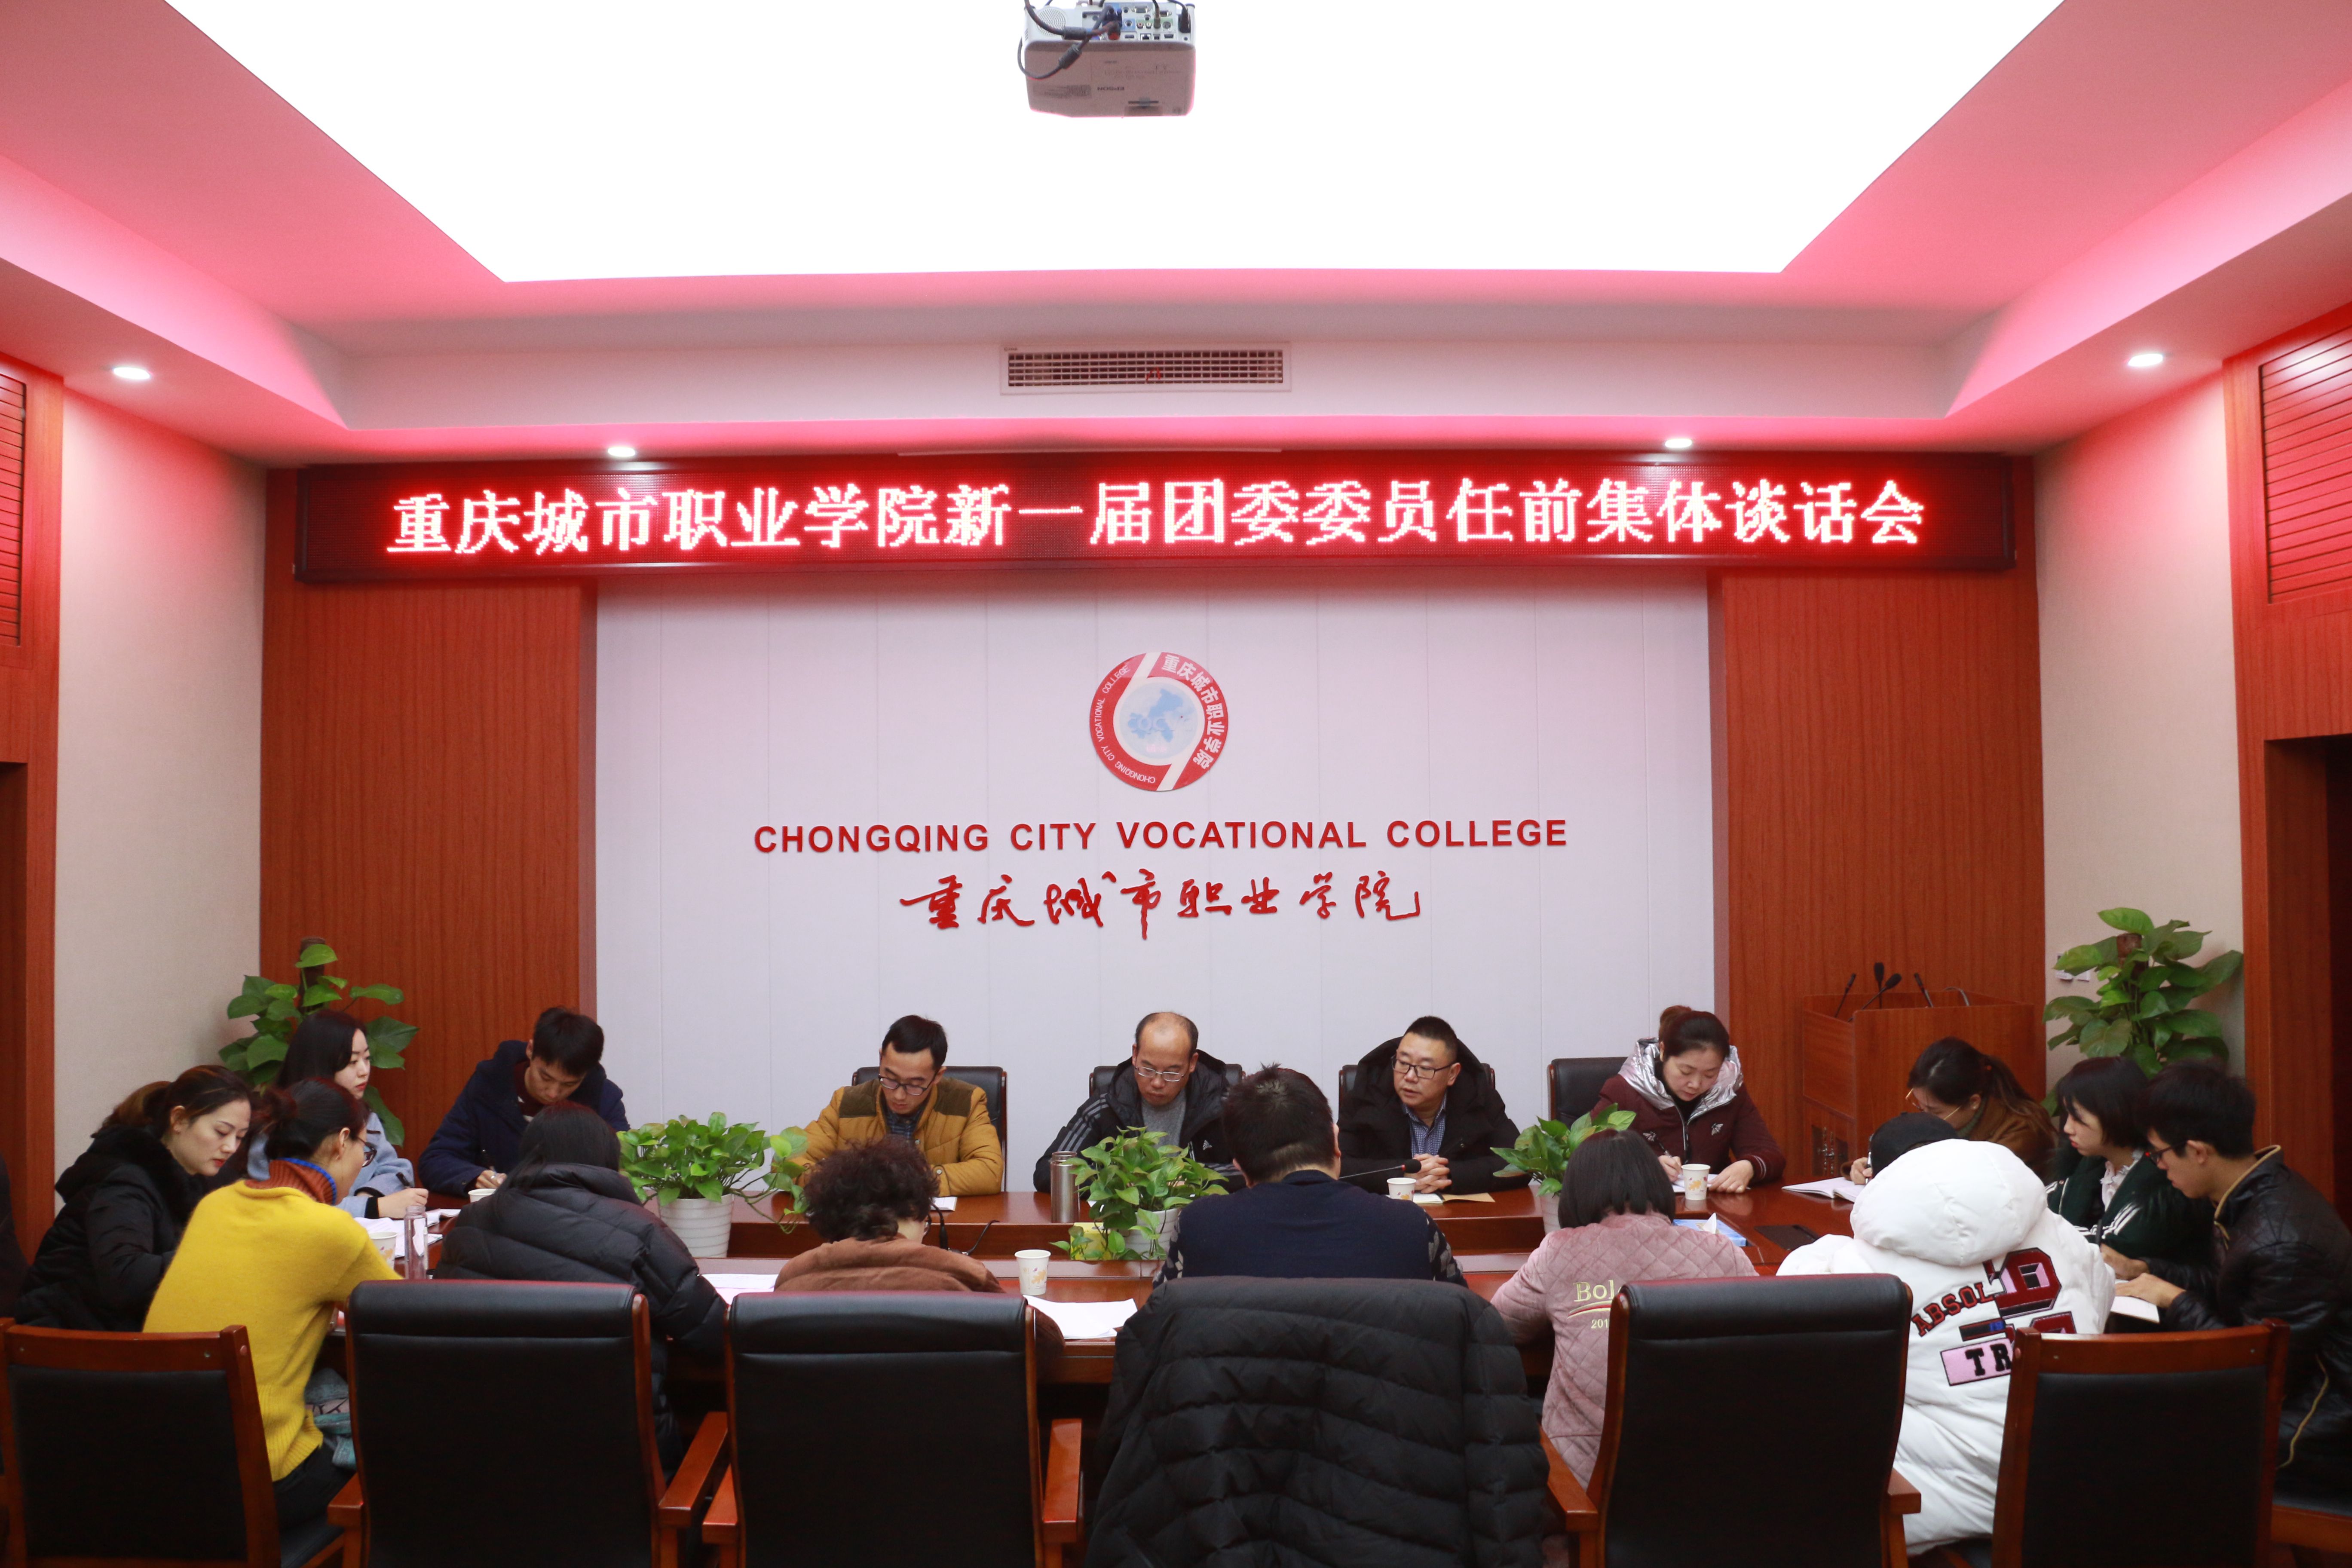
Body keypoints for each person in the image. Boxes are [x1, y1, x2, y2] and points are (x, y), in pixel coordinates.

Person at [1779, 1130, 2110, 1552]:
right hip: (2075, 1472)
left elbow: (1800, 1357)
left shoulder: (1845, 1262)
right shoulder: (2059, 1232)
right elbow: (2101, 1301)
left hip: (1939, 1498)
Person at [146, 1081, 398, 1534]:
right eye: (365, 1149)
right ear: (341, 1141)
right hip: (258, 1481)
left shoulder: (216, 1206)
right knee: (395, 1458)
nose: (362, 1161)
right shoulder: (329, 1231)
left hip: (159, 1469)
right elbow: (412, 1324)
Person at [435, 1101, 723, 1468]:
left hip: (481, 1464)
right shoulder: (637, 1231)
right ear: (605, 1160)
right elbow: (715, 1337)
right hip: (621, 1473)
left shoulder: (469, 1225)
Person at [2112, 1064, 2352, 1490]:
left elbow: (2257, 1368)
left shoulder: (2283, 1241)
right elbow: (2229, 1283)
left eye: (2158, 1153)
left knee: (2128, 1436)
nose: (2159, 1166)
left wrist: (2175, 1300)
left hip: (2319, 1423)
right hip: (2289, 1391)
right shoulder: (2254, 1189)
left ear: (2198, 1151)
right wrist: (2146, 1270)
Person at [1489, 1130, 1754, 1482]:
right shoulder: (1720, 1251)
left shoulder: (1560, 1251)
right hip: (1709, 1475)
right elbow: (1765, 1336)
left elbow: (1498, 1325)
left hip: (1585, 1485)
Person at [1156, 1066, 1466, 1286]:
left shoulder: (1199, 1227)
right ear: (1336, 1143)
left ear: (1240, 1167)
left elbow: (1160, 1324)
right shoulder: (1411, 1227)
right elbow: (1461, 1323)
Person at [16, 1067, 256, 1331]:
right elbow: (125, 1277)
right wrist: (217, 1256)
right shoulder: (126, 1181)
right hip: (64, 1334)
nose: (231, 1147)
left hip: (116, 1329)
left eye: (240, 1137)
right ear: (178, 1120)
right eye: (222, 1132)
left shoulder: (205, 1183)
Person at [417, 1006, 628, 1195]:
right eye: (546, 1078)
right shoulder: (489, 1086)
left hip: (577, 1214)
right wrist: (474, 1177)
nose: (553, 1093)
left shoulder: (603, 1097)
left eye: (569, 1084)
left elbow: (625, 1168)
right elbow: (437, 1159)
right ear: (530, 1050)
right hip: (499, 1214)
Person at [246, 1011, 426, 1219]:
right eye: (352, 1062)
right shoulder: (279, 1124)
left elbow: (396, 1169)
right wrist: (370, 1208)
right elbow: (285, 1206)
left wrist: (369, 1196)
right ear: (319, 1064)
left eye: (367, 1058)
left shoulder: (364, 1116)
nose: (364, 1071)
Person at [800, 1015, 1004, 1196]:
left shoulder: (966, 1102)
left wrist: (908, 1181)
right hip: (863, 1222)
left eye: (914, 1085)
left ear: (937, 1076)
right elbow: (792, 1163)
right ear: (881, 1058)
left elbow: (989, 1171)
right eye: (890, 1079)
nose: (898, 1095)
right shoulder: (846, 1103)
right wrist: (851, 1183)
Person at [1033, 1011, 1236, 1191]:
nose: (1157, 1083)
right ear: (1135, 1055)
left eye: (1172, 1073)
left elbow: (1251, 1170)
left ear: (1192, 1063)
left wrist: (1192, 1177)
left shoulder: (1223, 1103)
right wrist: (1117, 1179)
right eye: (1148, 1069)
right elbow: (1048, 1170)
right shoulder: (1108, 1102)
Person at [1592, 1006, 1784, 1193]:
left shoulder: (1728, 1091)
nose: (1696, 1084)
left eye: (1710, 1074)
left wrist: (1749, 1166)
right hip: (1646, 1205)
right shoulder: (1626, 1090)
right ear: (1663, 1051)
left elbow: (1771, 1155)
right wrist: (1645, 1167)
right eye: (1686, 1071)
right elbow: (1588, 1156)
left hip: (1713, 1205)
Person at [2043, 1057, 2209, 1270]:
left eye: (2077, 1117)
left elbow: (2114, 1246)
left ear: (2113, 1112)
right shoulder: (2093, 1165)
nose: (2067, 1128)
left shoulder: (2160, 1173)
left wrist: (2039, 1229)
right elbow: (2039, 1201)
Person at [1337, 1015, 1525, 1194]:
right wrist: (1402, 1176)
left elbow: (1521, 1163)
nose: (1410, 1077)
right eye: (1403, 1063)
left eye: (1425, 1068)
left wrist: (1450, 1175)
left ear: (1452, 1074)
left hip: (1458, 1213)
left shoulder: (1479, 1098)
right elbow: (1337, 1166)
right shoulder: (1365, 1097)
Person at [1852, 1037, 2054, 1179]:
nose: (1926, 1118)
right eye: (1921, 1108)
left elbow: (1968, 1183)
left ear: (1974, 1102)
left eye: (1935, 1112)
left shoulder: (2023, 1130)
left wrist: (1895, 1174)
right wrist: (1875, 1165)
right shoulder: (1946, 1121)